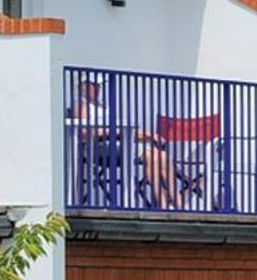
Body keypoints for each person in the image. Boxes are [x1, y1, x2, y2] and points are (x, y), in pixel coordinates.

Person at [67, 75, 179, 208]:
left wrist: (150, 136)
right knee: (151, 156)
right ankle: (163, 203)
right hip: (97, 147)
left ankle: (176, 200)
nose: (97, 89)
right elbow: (85, 133)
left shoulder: (102, 106)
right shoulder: (80, 104)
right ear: (83, 86)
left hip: (119, 143)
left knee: (161, 156)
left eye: (99, 86)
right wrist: (113, 132)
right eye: (94, 85)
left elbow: (124, 131)